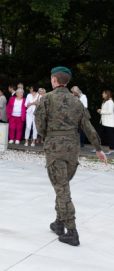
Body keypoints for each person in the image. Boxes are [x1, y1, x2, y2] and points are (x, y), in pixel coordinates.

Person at [35, 67, 107, 246]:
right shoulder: (77, 101)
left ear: (53, 79)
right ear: (66, 82)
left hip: (55, 147)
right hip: (73, 148)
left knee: (62, 188)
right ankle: (59, 223)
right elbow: (88, 127)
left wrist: (49, 136)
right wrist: (98, 148)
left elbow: (40, 126)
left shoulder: (47, 99)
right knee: (63, 185)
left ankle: (72, 231)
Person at [96, 90, 114, 154]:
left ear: (106, 94)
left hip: (108, 122)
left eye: (103, 93)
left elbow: (109, 111)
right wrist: (101, 111)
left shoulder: (110, 102)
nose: (102, 94)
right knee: (99, 134)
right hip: (103, 121)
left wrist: (101, 111)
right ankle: (98, 148)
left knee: (110, 136)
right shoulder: (105, 101)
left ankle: (111, 149)